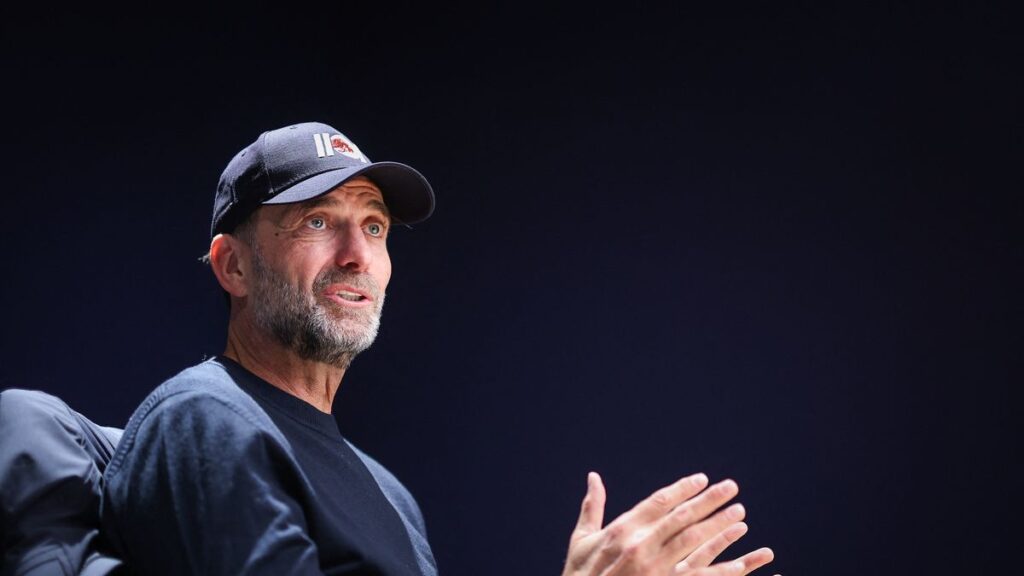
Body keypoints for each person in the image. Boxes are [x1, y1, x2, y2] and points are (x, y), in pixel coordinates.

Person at [6, 121, 778, 575]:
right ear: (231, 266)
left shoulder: (391, 495)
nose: (356, 253)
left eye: (372, 225)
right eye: (316, 222)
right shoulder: (207, 421)